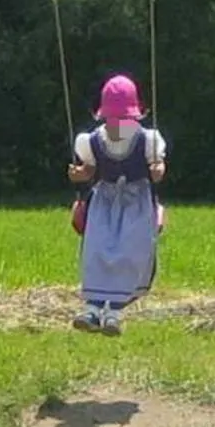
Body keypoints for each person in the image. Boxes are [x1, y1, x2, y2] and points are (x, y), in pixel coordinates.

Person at [67, 73, 167, 336]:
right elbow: (90, 169)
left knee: (130, 251)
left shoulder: (148, 140)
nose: (117, 125)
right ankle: (93, 308)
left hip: (134, 203)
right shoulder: (92, 140)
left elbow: (157, 167)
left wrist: (158, 169)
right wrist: (81, 174)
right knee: (98, 249)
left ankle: (113, 311)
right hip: (105, 203)